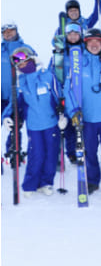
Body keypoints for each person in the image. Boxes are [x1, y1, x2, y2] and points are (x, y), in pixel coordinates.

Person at [63, 28, 101, 200]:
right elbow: (68, 89)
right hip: (86, 119)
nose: (94, 44)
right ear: (85, 43)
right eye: (91, 41)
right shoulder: (77, 62)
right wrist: (73, 111)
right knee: (89, 152)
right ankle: (92, 181)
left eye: (98, 41)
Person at [2, 47, 63, 197]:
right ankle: (30, 184)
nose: (22, 65)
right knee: (36, 154)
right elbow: (14, 103)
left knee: (51, 155)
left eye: (24, 61)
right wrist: (6, 116)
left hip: (51, 123)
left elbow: (59, 97)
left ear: (31, 59)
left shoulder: (47, 76)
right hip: (34, 126)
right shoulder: (20, 83)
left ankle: (45, 183)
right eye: (19, 65)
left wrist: (63, 115)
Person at [48, 21, 85, 164]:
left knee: (81, 124)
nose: (73, 36)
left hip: (81, 92)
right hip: (65, 93)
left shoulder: (85, 51)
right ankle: (70, 153)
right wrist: (58, 95)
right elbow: (53, 75)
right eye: (70, 34)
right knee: (67, 125)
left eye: (76, 34)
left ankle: (81, 149)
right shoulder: (59, 54)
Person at [2, 22, 35, 163]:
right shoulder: (1, 50)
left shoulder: (22, 49)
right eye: (5, 32)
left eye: (11, 31)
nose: (8, 34)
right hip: (1, 95)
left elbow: (33, 66)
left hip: (17, 94)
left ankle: (13, 150)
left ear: (16, 32)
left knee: (15, 124)